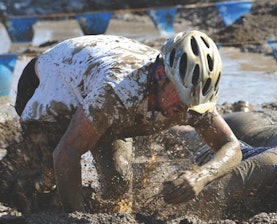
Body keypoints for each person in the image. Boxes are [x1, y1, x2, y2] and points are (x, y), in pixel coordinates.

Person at [14, 30, 242, 212]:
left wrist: (201, 176)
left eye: (193, 106)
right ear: (161, 75)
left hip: (97, 94)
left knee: (119, 185)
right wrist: (75, 223)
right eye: (180, 101)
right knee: (31, 189)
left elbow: (231, 146)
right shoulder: (118, 92)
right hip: (49, 87)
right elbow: (67, 154)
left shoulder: (193, 100)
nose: (185, 111)